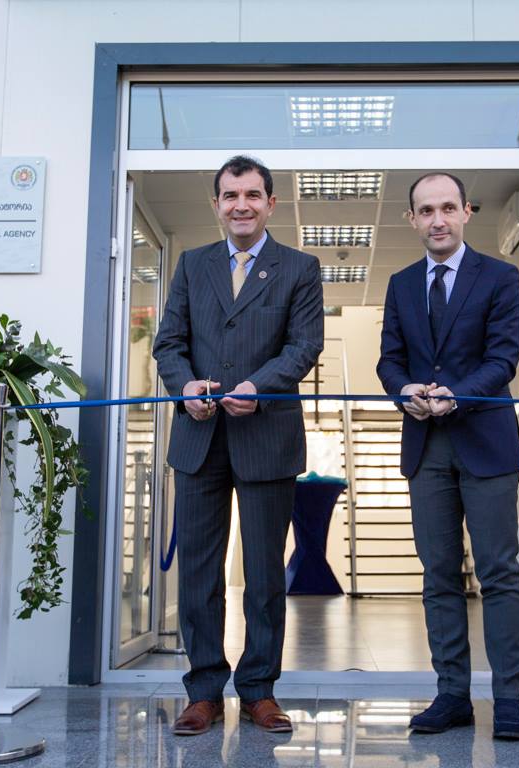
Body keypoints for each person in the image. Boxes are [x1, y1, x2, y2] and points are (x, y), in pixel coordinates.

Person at [153, 155, 324, 736]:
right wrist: (185, 389)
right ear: (217, 204)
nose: (241, 205)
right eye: (230, 195)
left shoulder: (299, 268)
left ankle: (258, 690)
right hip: (199, 437)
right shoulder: (192, 264)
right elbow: (169, 343)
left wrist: (260, 386)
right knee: (199, 575)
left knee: (265, 575)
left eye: (252, 195)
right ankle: (204, 691)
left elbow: (304, 346)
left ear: (271, 203)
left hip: (266, 437)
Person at [376, 172, 519, 739]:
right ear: (412, 219)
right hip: (426, 446)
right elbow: (390, 358)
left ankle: (508, 699)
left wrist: (456, 396)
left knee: (498, 573)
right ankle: (452, 696)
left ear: (466, 212)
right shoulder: (400, 283)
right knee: (438, 575)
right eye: (425, 210)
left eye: (447, 208)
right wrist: (403, 390)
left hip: (485, 442)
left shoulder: (500, 276)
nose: (437, 220)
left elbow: (503, 358)